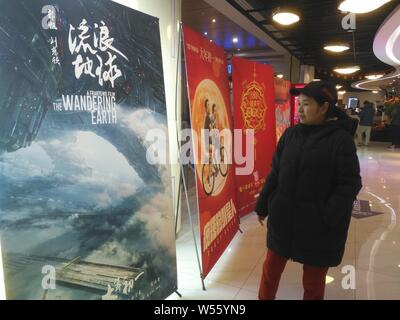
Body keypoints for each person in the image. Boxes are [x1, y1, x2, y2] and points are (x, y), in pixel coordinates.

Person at [255, 80, 362, 300]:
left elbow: (349, 184)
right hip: (283, 220)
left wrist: (328, 216)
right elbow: (275, 172)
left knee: (313, 285)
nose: (300, 109)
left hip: (318, 228)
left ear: (324, 108)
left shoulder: (340, 141)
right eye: (299, 103)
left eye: (306, 104)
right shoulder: (290, 135)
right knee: (270, 273)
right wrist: (264, 204)